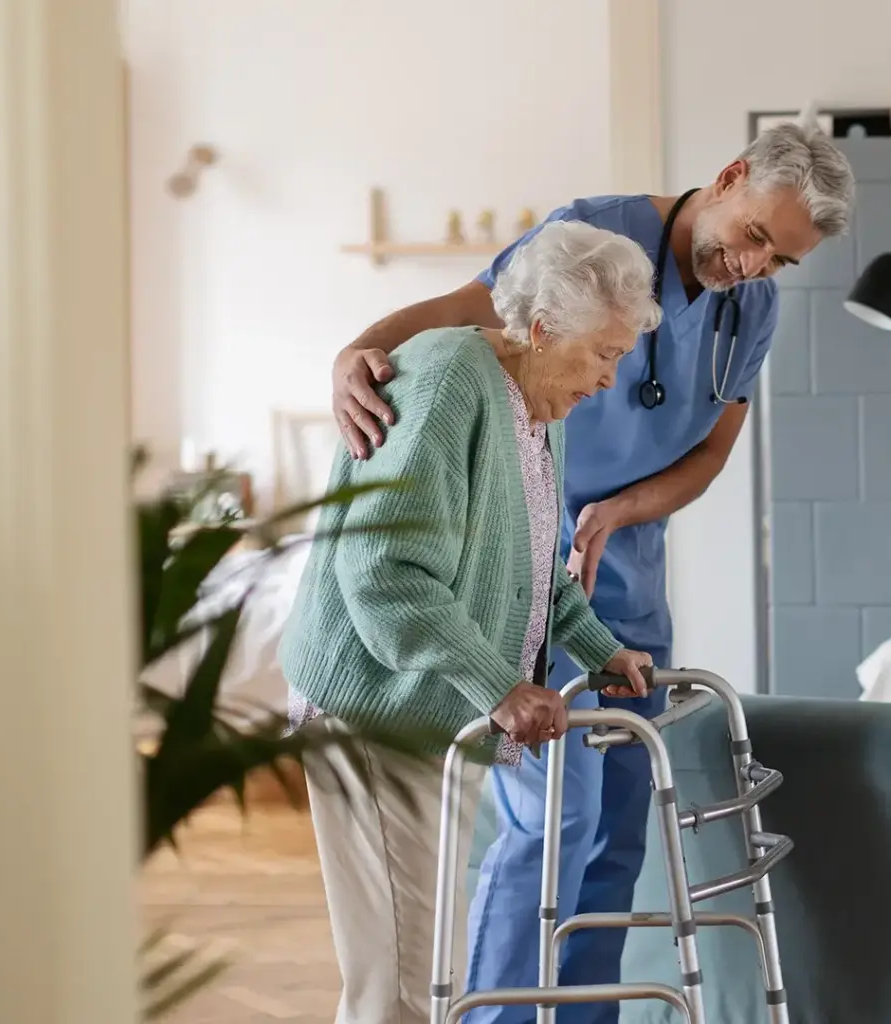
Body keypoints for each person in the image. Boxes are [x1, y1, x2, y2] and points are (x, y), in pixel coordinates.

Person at [330, 121, 855, 1024]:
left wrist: (620, 513)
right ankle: (503, 1013)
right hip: (524, 552)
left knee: (616, 823)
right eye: (757, 235)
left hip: (622, 572)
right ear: (729, 178)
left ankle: (582, 1017)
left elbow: (710, 456)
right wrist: (355, 349)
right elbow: (461, 312)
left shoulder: (750, 311)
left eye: (782, 260)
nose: (756, 265)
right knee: (551, 820)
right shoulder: (597, 236)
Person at [279, 220, 662, 1024]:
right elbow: (383, 572)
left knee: (424, 961)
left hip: (427, 704)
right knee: (403, 973)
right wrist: (499, 683)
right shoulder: (451, 378)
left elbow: (529, 571)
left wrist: (601, 650)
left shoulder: (537, 399)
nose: (609, 379)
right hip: (373, 706)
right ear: (544, 327)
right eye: (604, 353)